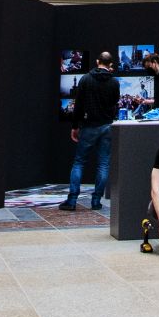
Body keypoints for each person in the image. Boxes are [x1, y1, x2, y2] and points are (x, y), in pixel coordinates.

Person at [60, 50, 119, 211]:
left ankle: (72, 201)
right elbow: (115, 103)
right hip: (107, 126)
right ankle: (96, 201)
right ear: (110, 65)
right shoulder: (114, 82)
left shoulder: (86, 79)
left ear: (97, 62)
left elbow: (78, 105)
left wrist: (74, 126)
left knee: (79, 162)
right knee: (103, 164)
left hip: (88, 125)